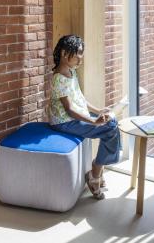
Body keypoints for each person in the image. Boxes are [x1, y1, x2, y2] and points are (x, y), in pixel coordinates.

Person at [48, 35, 121, 200]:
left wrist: (98, 110)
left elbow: (79, 99)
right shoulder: (59, 78)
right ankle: (95, 173)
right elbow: (69, 109)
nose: (81, 58)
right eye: (78, 54)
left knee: (112, 121)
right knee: (110, 128)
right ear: (65, 53)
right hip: (64, 122)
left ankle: (97, 171)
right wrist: (94, 121)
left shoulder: (72, 72)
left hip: (74, 118)